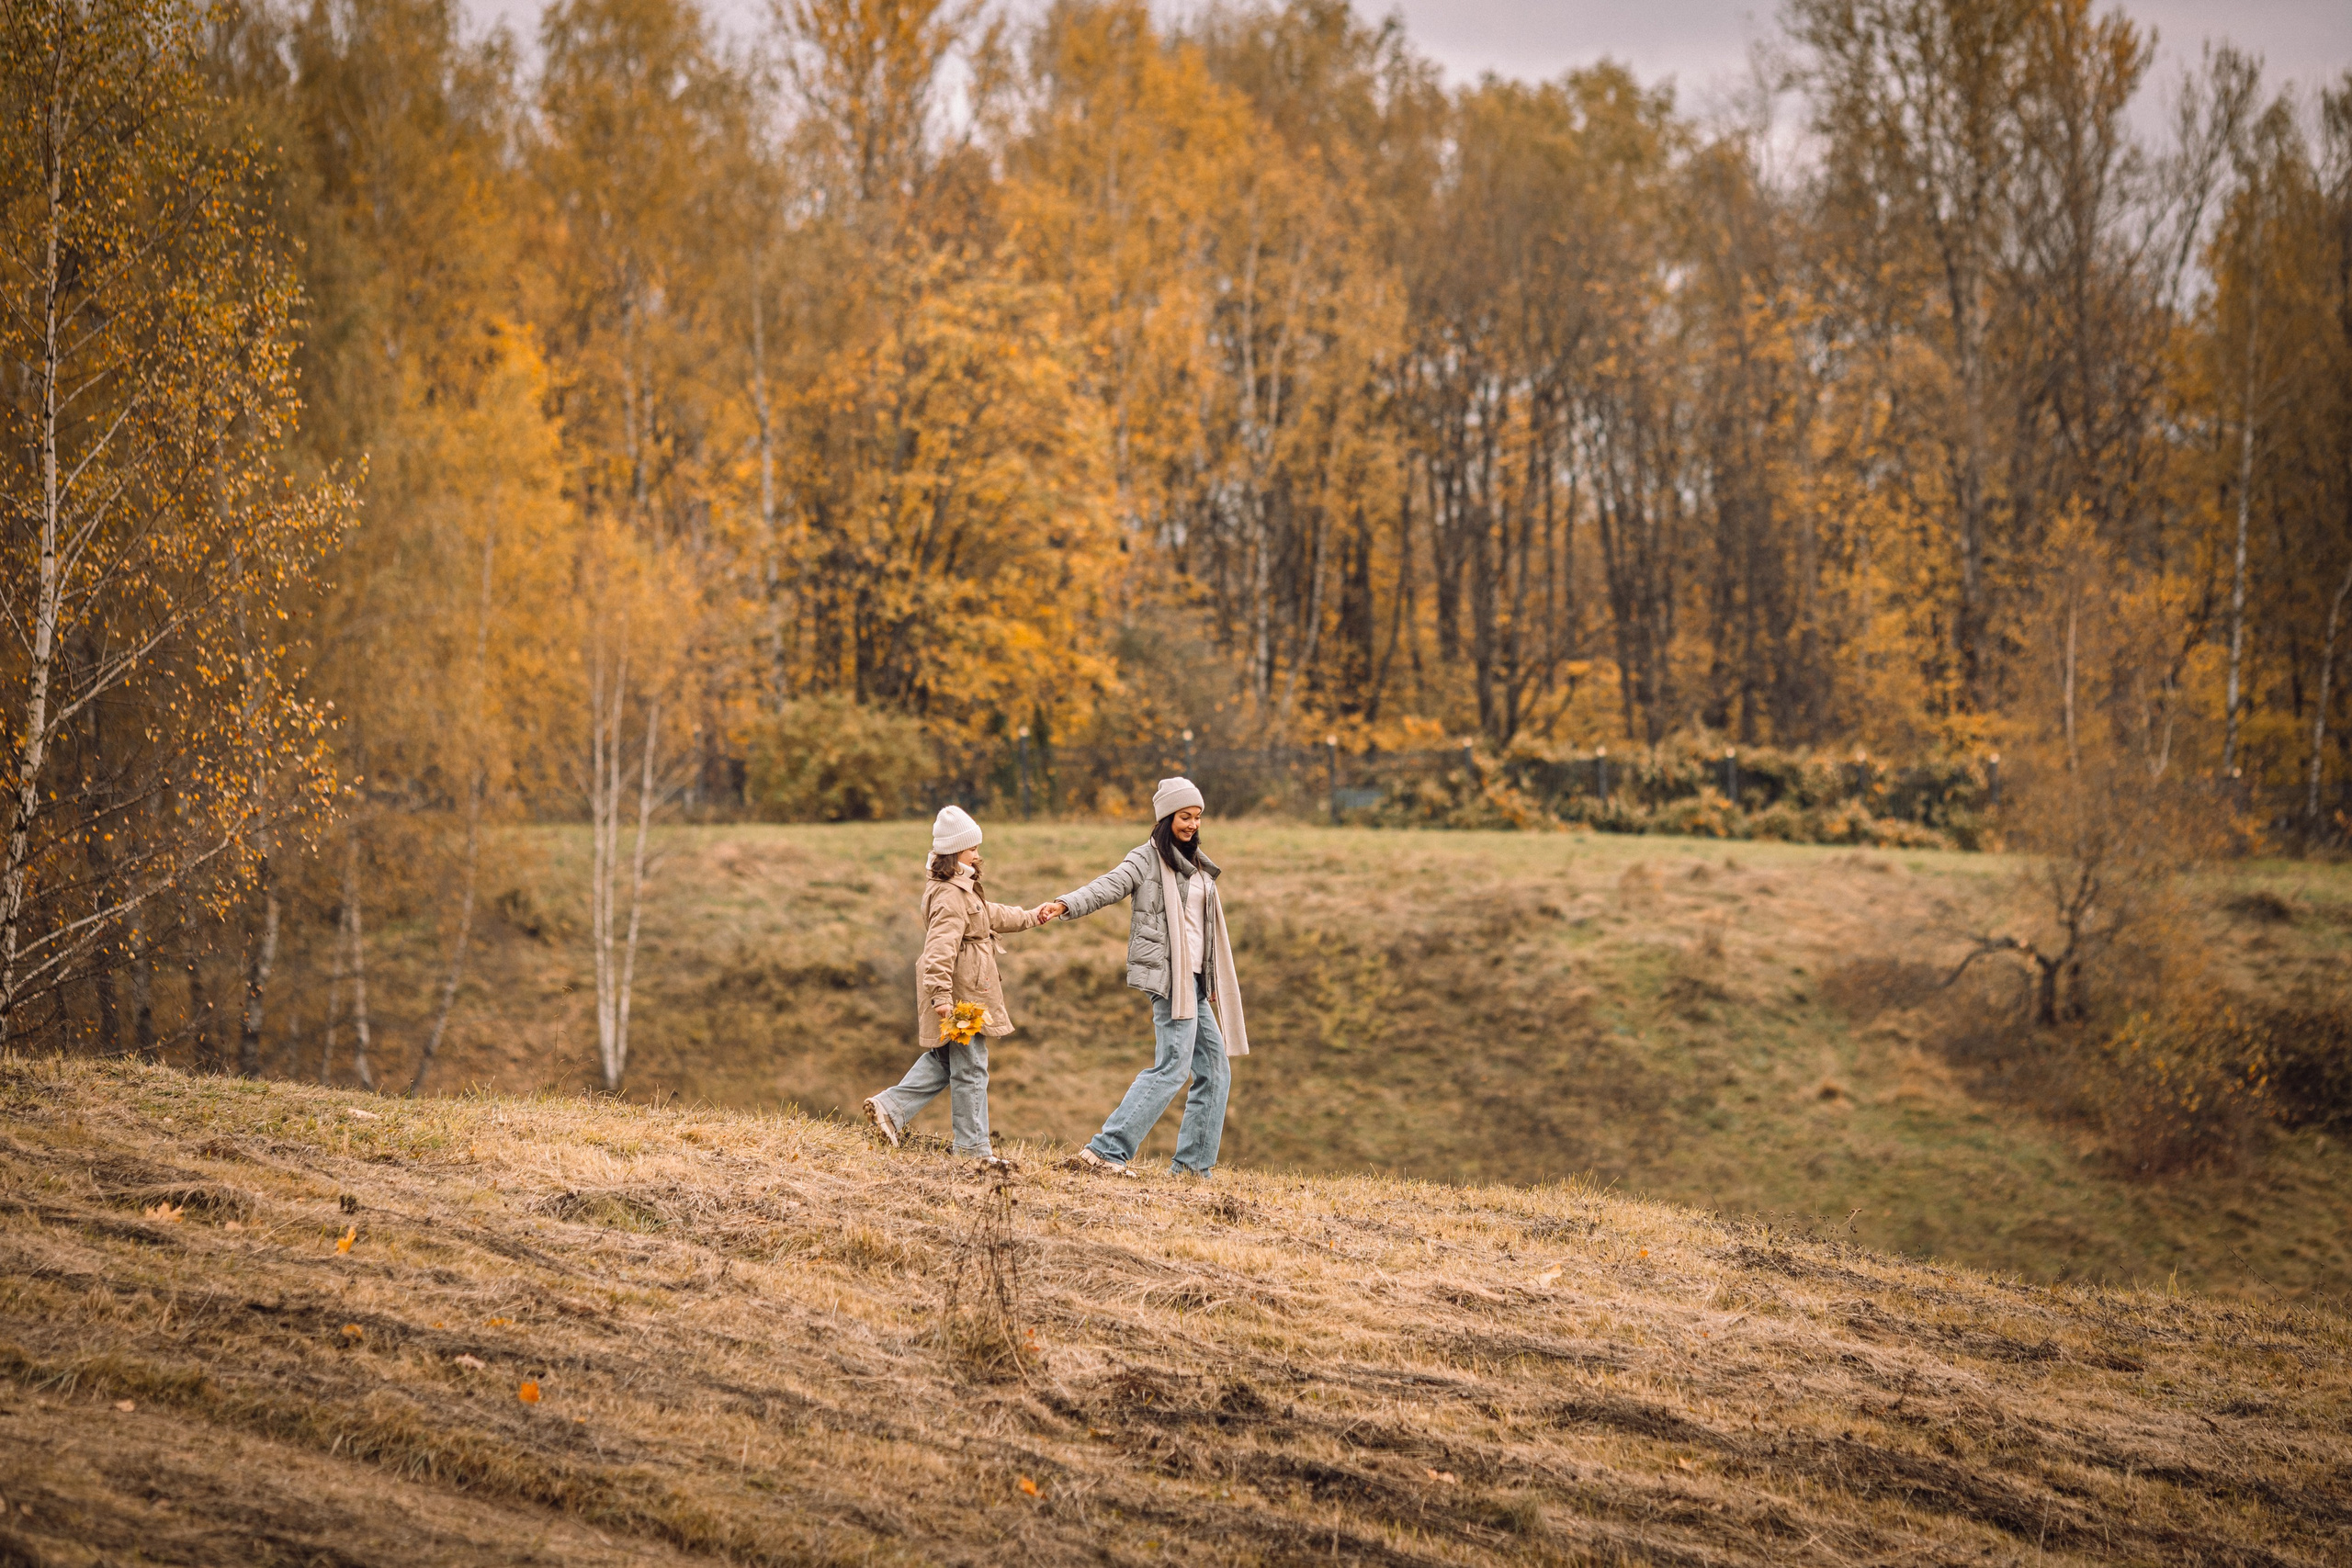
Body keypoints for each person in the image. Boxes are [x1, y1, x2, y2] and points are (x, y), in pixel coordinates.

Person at [1037, 777, 1249, 1177]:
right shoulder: (1146, 859)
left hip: (1196, 984)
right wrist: (1065, 904)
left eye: (1198, 817)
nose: (1193, 824)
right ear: (1166, 817)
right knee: (1172, 1066)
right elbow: (1108, 886)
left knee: (1216, 1070)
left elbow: (1199, 929)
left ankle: (1191, 1170)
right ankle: (1106, 1152)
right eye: (1185, 816)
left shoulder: (1197, 865)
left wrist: (1213, 978)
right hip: (1170, 981)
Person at [863, 805, 1052, 1159]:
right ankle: (972, 1148)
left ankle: (890, 1107)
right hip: (962, 992)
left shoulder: (960, 888)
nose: (978, 855)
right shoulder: (950, 894)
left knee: (947, 1061)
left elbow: (990, 913)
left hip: (967, 986)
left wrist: (1030, 916)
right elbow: (939, 948)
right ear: (955, 852)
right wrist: (941, 996)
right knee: (972, 1068)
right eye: (973, 849)